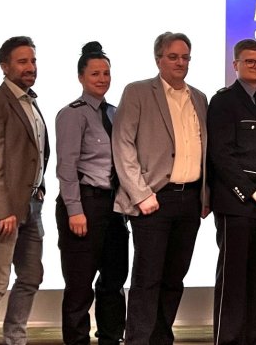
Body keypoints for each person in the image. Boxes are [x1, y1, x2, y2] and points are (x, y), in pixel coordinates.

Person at [112, 31, 209, 345]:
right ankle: (137, 340)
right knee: (146, 280)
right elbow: (123, 144)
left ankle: (161, 339)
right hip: (153, 200)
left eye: (185, 57)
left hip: (190, 200)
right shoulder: (138, 92)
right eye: (173, 56)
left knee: (174, 279)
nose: (180, 63)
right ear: (159, 59)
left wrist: (205, 195)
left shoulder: (199, 97)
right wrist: (141, 194)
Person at [0, 35, 50, 345]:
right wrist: (2, 210)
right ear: (5, 66)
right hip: (2, 211)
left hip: (33, 206)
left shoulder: (31, 102)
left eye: (32, 60)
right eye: (22, 61)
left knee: (31, 277)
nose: (30, 66)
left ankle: (15, 339)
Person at [207, 38, 256, 344]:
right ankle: (227, 339)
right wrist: (253, 193)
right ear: (235, 65)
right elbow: (221, 156)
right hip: (238, 204)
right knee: (233, 279)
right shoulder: (223, 101)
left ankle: (254, 336)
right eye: (249, 61)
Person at [55, 41, 129, 345]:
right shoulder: (72, 114)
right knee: (80, 284)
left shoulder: (116, 113)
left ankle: (111, 338)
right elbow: (66, 167)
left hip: (114, 207)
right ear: (81, 77)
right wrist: (75, 210)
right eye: (95, 73)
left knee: (114, 280)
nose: (102, 78)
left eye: (106, 73)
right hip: (85, 203)